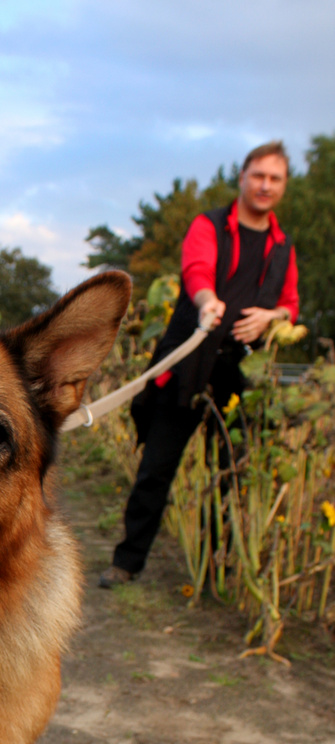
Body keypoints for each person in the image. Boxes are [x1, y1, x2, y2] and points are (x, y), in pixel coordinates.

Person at [99, 140, 299, 588]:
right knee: (157, 467)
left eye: (275, 178)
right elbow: (197, 272)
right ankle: (127, 562)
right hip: (190, 361)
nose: (265, 185)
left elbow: (291, 305)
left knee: (230, 470)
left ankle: (214, 567)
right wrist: (209, 304)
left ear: (283, 186)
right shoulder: (210, 225)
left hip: (240, 373)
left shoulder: (283, 248)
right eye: (259, 176)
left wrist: (273, 316)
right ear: (243, 177)